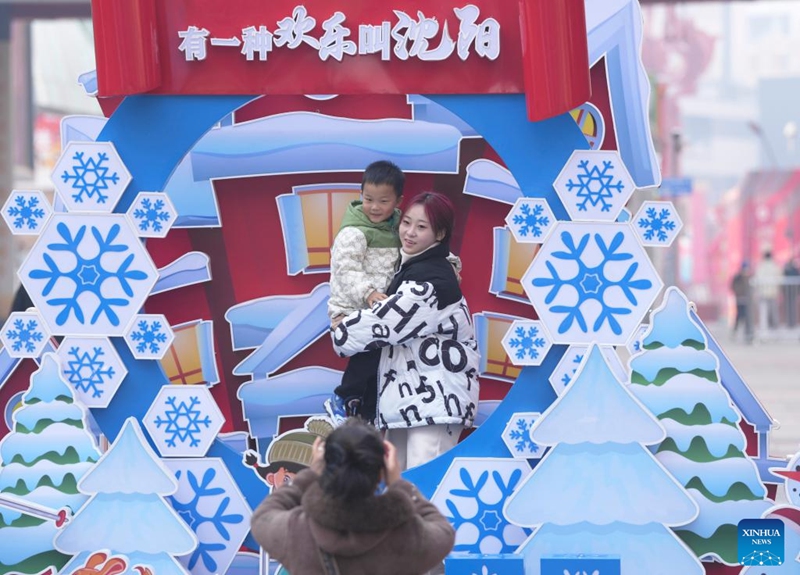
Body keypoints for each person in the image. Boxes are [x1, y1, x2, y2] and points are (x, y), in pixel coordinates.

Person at [332, 192, 480, 470]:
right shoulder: (411, 267)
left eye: (421, 227)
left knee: (425, 487)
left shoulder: (433, 277)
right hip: (408, 400)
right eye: (407, 223)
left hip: (437, 403)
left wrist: (341, 328)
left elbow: (386, 324)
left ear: (440, 233)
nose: (410, 233)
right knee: (400, 487)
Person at [251, 418, 455, 575]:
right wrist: (398, 483)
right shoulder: (404, 536)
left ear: (325, 466)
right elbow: (444, 533)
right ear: (381, 469)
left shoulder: (298, 532)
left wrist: (311, 473)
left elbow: (262, 517)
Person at [325, 160, 405, 423]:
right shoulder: (354, 231)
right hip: (351, 310)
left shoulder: (397, 228)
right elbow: (345, 269)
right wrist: (369, 293)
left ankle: (367, 413)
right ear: (360, 195)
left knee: (381, 361)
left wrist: (449, 262)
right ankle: (343, 395)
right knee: (370, 354)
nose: (374, 207)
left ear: (397, 200)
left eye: (383, 201)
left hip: (378, 311)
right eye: (368, 198)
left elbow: (416, 249)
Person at [754, 251, 781, 331]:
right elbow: (779, 278)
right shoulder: (775, 266)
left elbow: (757, 278)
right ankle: (775, 328)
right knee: (774, 311)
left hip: (763, 292)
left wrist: (757, 290)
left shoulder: (761, 266)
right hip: (773, 292)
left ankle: (764, 328)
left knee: (764, 312)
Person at [731, 262, 753, 344]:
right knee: (739, 316)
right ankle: (735, 331)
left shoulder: (749, 277)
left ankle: (747, 333)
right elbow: (734, 287)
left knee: (747, 316)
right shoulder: (738, 278)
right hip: (740, 299)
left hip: (747, 301)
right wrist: (740, 293)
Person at [783, 257, 799, 328]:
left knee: (789, 307)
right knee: (792, 307)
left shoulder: (787, 270)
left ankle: (790, 323)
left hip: (789, 292)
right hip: (792, 292)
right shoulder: (795, 270)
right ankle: (792, 322)